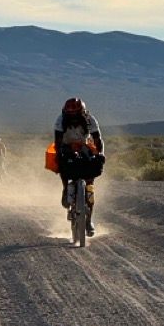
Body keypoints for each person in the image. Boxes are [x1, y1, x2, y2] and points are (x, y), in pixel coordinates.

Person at [54, 97, 105, 236]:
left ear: (81, 112)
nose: (73, 117)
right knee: (64, 166)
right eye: (70, 115)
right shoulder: (60, 120)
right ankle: (66, 189)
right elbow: (58, 141)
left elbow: (98, 139)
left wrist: (100, 154)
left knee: (90, 183)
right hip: (66, 145)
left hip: (83, 144)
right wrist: (60, 155)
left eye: (75, 114)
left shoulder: (90, 120)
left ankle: (88, 220)